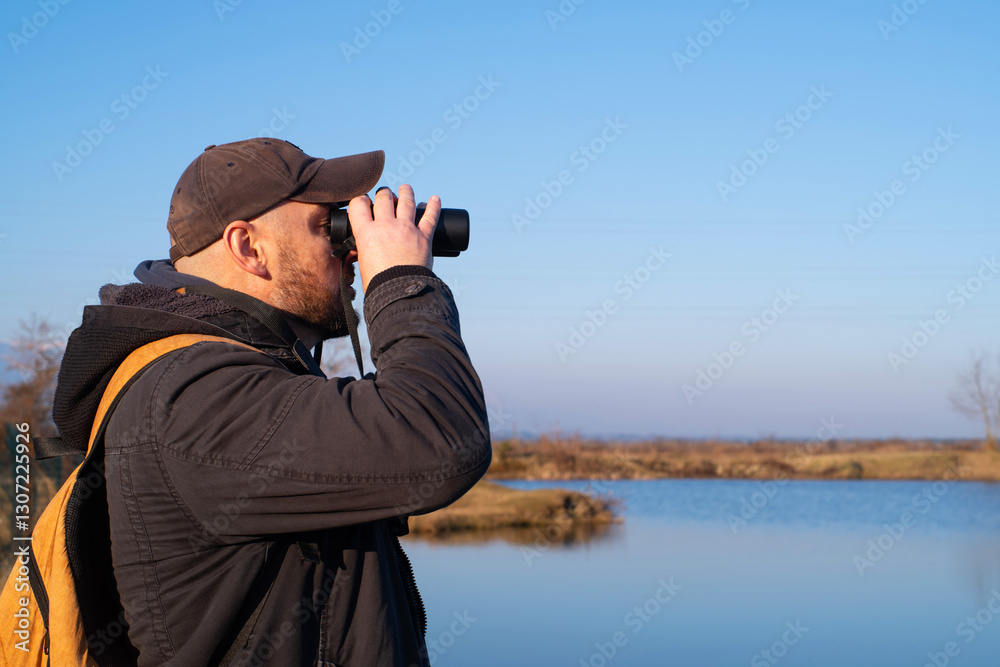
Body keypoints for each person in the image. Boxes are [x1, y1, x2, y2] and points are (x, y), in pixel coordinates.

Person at [51, 138, 491, 666]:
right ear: (248, 248)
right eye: (327, 226)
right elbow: (439, 438)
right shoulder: (192, 395)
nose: (352, 248)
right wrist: (401, 279)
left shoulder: (236, 378)